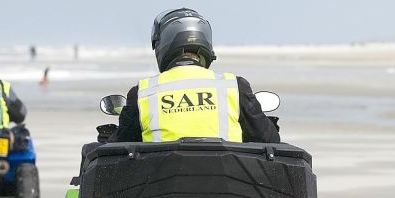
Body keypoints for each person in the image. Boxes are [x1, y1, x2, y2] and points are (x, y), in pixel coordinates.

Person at [116, 8, 279, 143]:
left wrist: (106, 136)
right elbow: (270, 140)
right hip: (229, 181)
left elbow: (119, 148)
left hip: (159, 181)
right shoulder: (235, 87)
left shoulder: (143, 93)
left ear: (162, 45)